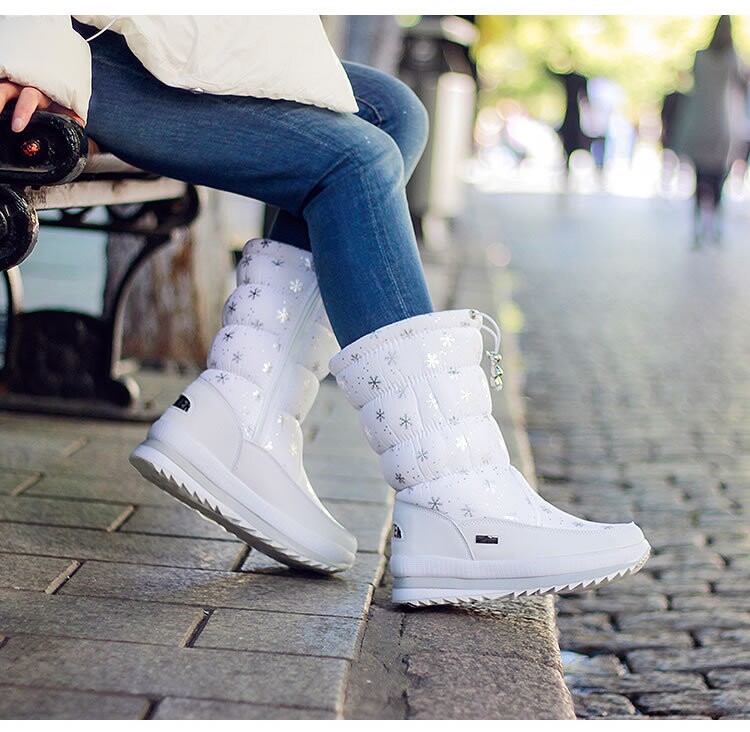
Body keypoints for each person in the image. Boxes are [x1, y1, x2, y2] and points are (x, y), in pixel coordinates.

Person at [0, 15, 649, 606]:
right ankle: (455, 496)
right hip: (62, 44)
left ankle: (244, 409)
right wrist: (27, 51)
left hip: (123, 33)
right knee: (355, 160)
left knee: (392, 112)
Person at [676, 15, 747, 246]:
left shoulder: (700, 57)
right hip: (722, 124)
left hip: (698, 121)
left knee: (699, 178)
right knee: (718, 178)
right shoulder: (733, 59)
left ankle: (698, 227)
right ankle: (714, 227)